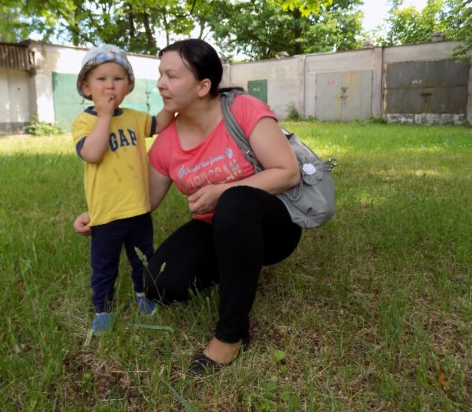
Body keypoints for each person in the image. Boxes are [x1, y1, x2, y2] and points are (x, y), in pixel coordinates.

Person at [74, 38, 302, 375]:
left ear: (203, 85)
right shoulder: (167, 141)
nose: (161, 83)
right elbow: (144, 200)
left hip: (272, 224)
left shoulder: (242, 108)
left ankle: (230, 335)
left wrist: (222, 190)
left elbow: (288, 173)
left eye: (172, 76)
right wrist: (101, 214)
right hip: (214, 226)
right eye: (160, 74)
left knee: (235, 202)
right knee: (159, 283)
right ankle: (238, 264)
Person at [72, 44, 173, 335]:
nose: (110, 85)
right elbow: (91, 153)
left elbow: (159, 124)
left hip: (139, 209)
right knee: (104, 267)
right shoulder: (84, 121)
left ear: (128, 86)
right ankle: (103, 309)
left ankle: (143, 296)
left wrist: (174, 105)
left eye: (117, 78)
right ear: (86, 87)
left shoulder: (133, 116)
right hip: (105, 215)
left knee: (143, 259)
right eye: (101, 79)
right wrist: (104, 116)